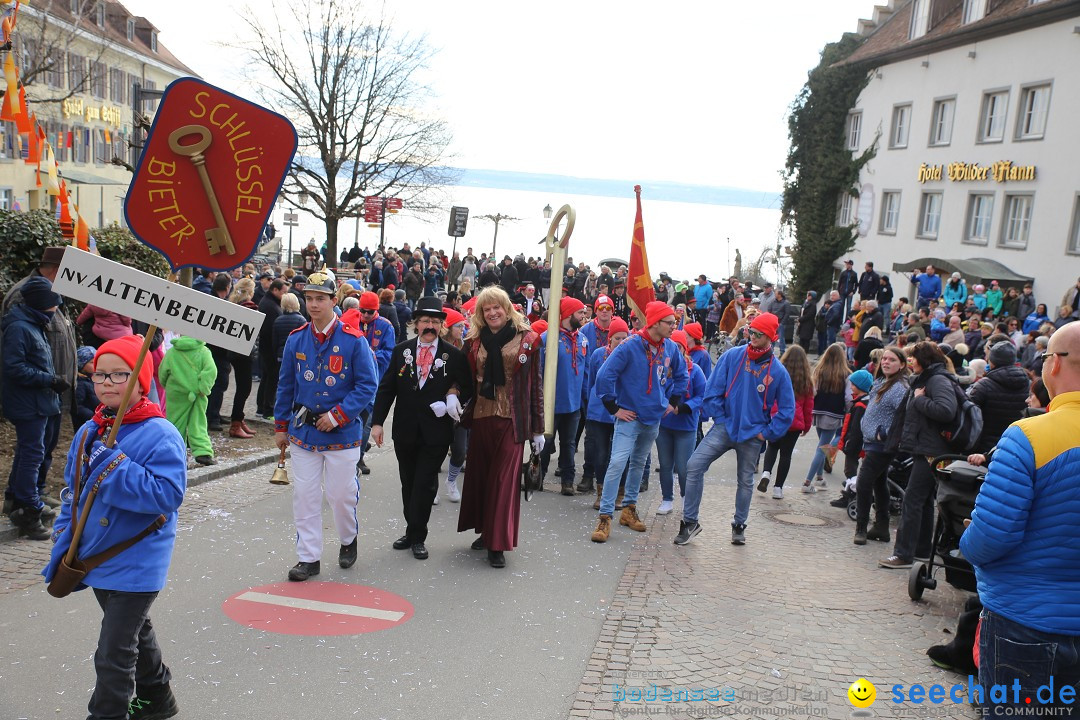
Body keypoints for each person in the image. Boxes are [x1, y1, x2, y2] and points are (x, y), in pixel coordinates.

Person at [43, 334, 188, 720]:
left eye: (118, 375)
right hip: (94, 554)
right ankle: (158, 699)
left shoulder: (161, 433)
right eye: (99, 375)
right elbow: (72, 489)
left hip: (136, 556)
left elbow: (166, 495)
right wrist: (64, 530)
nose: (106, 383)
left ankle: (107, 713)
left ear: (140, 380)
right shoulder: (90, 429)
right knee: (134, 633)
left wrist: (115, 465)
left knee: (114, 650)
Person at [959, 321, 1080, 716]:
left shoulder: (1027, 436)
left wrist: (967, 540)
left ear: (1055, 366)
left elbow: (992, 536)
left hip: (1026, 620)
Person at [273, 272, 380, 581]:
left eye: (321, 298)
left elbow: (367, 385)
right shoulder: (297, 338)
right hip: (304, 432)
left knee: (341, 494)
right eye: (309, 298)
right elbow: (285, 386)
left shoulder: (353, 340)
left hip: (342, 434)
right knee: (304, 495)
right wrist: (281, 426)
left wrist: (338, 416)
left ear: (334, 301)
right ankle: (308, 557)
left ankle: (348, 539)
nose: (314, 304)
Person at [676, 312, 794, 546]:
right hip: (725, 428)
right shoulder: (732, 357)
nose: (752, 337)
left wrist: (766, 433)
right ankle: (689, 522)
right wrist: (722, 418)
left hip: (752, 435)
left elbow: (787, 410)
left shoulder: (778, 371)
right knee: (693, 466)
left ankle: (739, 525)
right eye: (751, 331)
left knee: (745, 481)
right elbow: (712, 392)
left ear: (770, 337)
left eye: (759, 334)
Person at [371, 297, 473, 560]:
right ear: (416, 324)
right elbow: (386, 389)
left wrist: (452, 397)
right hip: (405, 429)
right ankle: (410, 529)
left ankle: (419, 536)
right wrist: (378, 422)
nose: (430, 326)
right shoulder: (401, 351)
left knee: (425, 483)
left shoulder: (453, 355)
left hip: (436, 431)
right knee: (408, 482)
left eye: (435, 322)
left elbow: (466, 388)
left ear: (442, 325)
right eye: (425, 321)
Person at [457, 286, 544, 569]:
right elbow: (462, 377)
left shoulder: (528, 340)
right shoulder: (472, 341)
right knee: (481, 477)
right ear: (481, 314)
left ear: (508, 309)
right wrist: (451, 393)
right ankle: (485, 531)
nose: (492, 312)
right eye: (486, 308)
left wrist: (538, 428)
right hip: (482, 416)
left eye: (497, 307)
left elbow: (535, 387)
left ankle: (498, 544)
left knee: (503, 481)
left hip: (513, 419)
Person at [591, 302, 688, 543]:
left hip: (653, 418)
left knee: (638, 463)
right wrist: (614, 408)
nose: (673, 327)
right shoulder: (629, 346)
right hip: (630, 417)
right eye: (669, 323)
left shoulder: (669, 348)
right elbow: (604, 376)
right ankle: (605, 517)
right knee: (617, 463)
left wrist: (672, 402)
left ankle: (629, 509)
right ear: (655, 323)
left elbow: (682, 373)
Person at [880, 341, 958, 569]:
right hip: (926, 448)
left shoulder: (937, 380)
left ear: (924, 360)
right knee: (922, 501)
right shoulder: (930, 379)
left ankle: (903, 554)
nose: (911, 361)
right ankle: (922, 550)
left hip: (932, 451)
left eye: (914, 357)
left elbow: (946, 410)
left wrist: (920, 399)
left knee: (912, 499)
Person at [2, 277, 67, 538]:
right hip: (29, 402)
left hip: (41, 400)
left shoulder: (34, 324)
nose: (56, 310)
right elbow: (13, 367)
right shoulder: (20, 328)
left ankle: (16, 500)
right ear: (42, 303)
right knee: (31, 454)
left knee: (32, 452)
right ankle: (29, 511)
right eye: (53, 304)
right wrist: (49, 380)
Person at [853, 345, 911, 545]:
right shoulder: (882, 382)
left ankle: (861, 527)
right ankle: (882, 527)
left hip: (881, 445)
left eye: (892, 360)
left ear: (902, 364)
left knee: (863, 483)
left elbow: (905, 416)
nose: (886, 362)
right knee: (879, 482)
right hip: (872, 442)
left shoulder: (899, 387)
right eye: (884, 359)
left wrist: (884, 433)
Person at [538, 297, 589, 494]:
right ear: (568, 315)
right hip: (551, 404)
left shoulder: (583, 339)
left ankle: (567, 482)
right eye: (580, 313)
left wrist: (585, 400)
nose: (584, 316)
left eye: (584, 313)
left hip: (574, 405)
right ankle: (538, 477)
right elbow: (539, 370)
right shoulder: (547, 338)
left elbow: (586, 372)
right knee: (544, 443)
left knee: (569, 444)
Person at [655, 330, 706, 516]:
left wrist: (682, 407)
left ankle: (686, 498)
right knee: (665, 464)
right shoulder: (661, 367)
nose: (674, 351)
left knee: (684, 467)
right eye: (671, 347)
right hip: (664, 425)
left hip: (686, 426)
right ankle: (667, 499)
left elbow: (702, 396)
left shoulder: (695, 370)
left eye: (678, 347)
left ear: (684, 349)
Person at [757, 345, 813, 499]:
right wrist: (807, 425)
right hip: (795, 422)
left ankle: (766, 472)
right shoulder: (806, 381)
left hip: (777, 416)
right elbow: (809, 407)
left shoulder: (778, 374)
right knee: (786, 455)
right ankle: (778, 488)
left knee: (772, 447)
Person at [352, 291, 396, 475]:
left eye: (370, 311)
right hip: (353, 380)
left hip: (375, 380)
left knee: (366, 422)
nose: (366, 315)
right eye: (363, 310)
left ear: (376, 310)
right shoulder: (353, 320)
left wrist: (368, 355)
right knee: (353, 420)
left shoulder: (385, 326)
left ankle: (359, 458)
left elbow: (389, 352)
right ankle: (352, 457)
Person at [158, 335, 217, 466]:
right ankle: (203, 452)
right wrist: (204, 388)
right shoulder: (203, 351)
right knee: (198, 422)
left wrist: (167, 386)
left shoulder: (172, 352)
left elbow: (162, 372)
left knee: (175, 423)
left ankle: (176, 455)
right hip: (197, 393)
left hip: (176, 394)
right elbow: (211, 370)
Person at [803, 343, 850, 493]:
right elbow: (848, 397)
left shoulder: (819, 371)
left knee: (822, 445)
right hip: (835, 413)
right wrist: (849, 411)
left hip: (818, 411)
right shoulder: (846, 374)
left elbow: (813, 391)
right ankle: (807, 482)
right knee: (822, 448)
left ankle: (820, 478)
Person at [226, 278, 259, 439]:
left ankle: (239, 418)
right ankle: (236, 422)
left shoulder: (233, 305)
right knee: (244, 389)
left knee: (242, 388)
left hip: (235, 352)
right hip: (244, 354)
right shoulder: (250, 308)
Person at [256, 279, 287, 418]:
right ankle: (267, 409)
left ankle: (261, 407)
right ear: (275, 290)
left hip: (266, 348)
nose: (285, 295)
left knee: (267, 378)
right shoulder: (271, 306)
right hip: (269, 349)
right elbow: (270, 331)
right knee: (271, 379)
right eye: (283, 292)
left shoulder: (269, 303)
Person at [73, 345, 98, 429]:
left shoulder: (94, 379)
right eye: (91, 362)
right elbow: (77, 406)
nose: (95, 365)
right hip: (86, 424)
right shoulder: (80, 383)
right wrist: (92, 416)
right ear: (82, 365)